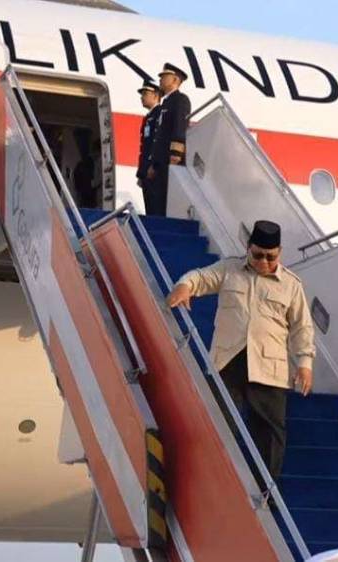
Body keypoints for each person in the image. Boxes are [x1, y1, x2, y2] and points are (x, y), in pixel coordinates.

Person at [166, 220, 315, 481]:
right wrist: (184, 286)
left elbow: (302, 327)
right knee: (218, 424)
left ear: (279, 253)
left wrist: (304, 364)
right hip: (228, 361)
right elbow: (200, 277)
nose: (264, 262)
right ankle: (212, 480)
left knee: (270, 434)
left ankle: (265, 491)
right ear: (248, 248)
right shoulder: (229, 269)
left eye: (270, 257)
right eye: (258, 255)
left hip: (269, 368)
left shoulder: (291, 285)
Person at [144, 63, 191, 216]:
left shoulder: (180, 100)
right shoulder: (166, 103)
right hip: (160, 162)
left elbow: (179, 127)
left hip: (169, 160)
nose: (160, 80)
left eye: (164, 77)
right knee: (155, 203)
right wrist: (154, 163)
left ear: (175, 80)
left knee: (163, 204)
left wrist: (175, 155)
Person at [135, 80, 161, 210]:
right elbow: (144, 148)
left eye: (145, 93)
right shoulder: (148, 117)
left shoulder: (159, 114)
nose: (142, 97)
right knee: (149, 206)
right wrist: (141, 173)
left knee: (155, 206)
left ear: (155, 95)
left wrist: (152, 166)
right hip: (146, 170)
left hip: (152, 170)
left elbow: (156, 143)